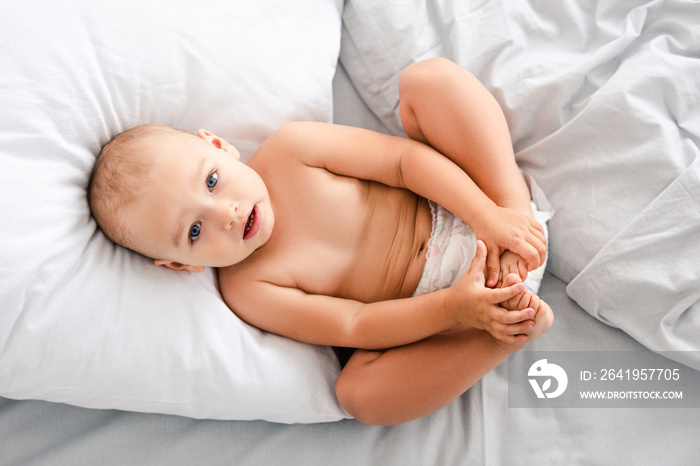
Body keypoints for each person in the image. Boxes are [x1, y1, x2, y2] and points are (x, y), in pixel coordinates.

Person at [88, 58, 553, 425]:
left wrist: (487, 215)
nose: (225, 215)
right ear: (181, 266)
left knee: (427, 81)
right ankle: (503, 337)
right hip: (461, 308)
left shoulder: (291, 150)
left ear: (218, 146)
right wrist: (457, 309)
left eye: (211, 182)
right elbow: (356, 324)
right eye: (193, 232)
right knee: (359, 395)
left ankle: (515, 202)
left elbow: (404, 163)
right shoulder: (249, 289)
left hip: (477, 206)